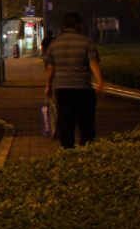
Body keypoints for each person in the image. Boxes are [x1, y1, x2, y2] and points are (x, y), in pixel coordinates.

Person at [43, 13, 104, 149]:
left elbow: (50, 68)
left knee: (66, 121)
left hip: (62, 89)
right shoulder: (87, 42)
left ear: (64, 26)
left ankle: (68, 149)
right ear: (78, 25)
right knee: (86, 122)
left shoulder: (54, 44)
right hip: (83, 88)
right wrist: (100, 82)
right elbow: (93, 63)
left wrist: (48, 86)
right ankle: (86, 148)